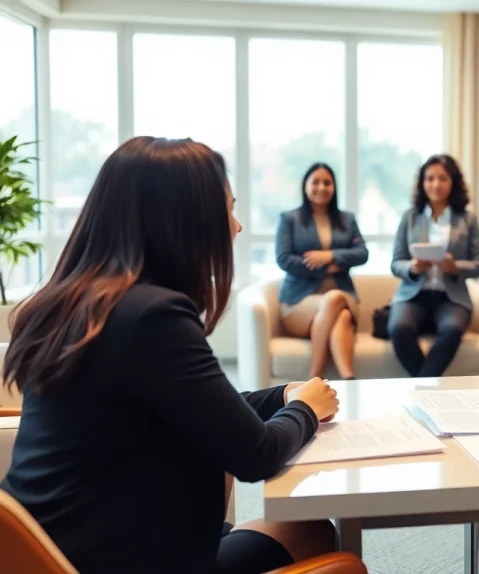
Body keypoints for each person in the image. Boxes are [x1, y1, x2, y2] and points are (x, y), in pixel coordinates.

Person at [0, 137, 343, 573]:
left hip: (39, 550)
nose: (236, 227)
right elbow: (256, 454)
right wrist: (305, 410)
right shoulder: (152, 316)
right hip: (120, 558)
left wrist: (281, 397)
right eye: (229, 209)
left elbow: (193, 403)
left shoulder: (73, 303)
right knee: (313, 531)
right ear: (185, 221)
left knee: (286, 530)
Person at [388, 154, 479, 377]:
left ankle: (422, 387)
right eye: (429, 178)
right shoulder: (410, 217)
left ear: (453, 182)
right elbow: (396, 263)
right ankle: (427, 388)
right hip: (414, 294)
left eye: (442, 178)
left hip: (451, 297)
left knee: (452, 329)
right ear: (422, 183)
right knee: (398, 328)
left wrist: (455, 267)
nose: (435, 184)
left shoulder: (467, 219)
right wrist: (412, 268)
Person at [276, 163, 369, 380]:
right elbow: (284, 259)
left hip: (343, 294)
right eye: (315, 182)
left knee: (337, 304)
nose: (322, 187)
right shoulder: (290, 219)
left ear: (334, 187)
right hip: (299, 301)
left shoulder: (347, 220)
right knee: (339, 312)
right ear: (305, 186)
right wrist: (328, 269)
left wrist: (331, 256)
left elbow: (362, 253)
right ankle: (340, 378)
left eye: (327, 182)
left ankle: (319, 380)